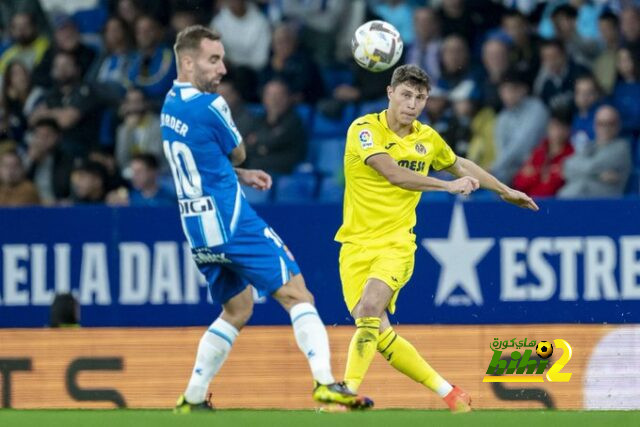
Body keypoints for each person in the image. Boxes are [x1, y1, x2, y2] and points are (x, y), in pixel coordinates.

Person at [161, 25, 372, 413]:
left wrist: (237, 176)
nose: (222, 69)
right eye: (213, 60)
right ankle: (326, 383)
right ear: (188, 62)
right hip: (232, 222)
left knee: (237, 309)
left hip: (197, 230)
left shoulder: (169, 105)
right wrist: (239, 166)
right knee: (298, 294)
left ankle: (191, 397)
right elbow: (237, 152)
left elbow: (202, 160)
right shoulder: (211, 105)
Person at [335, 64, 538, 412]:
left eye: (420, 97)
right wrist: (446, 186)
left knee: (370, 309)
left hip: (396, 244)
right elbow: (392, 173)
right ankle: (451, 394)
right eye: (406, 95)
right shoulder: (364, 129)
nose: (413, 104)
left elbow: (459, 164)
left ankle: (343, 395)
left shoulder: (426, 139)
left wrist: (505, 190)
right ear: (390, 93)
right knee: (379, 334)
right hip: (354, 246)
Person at [558, 105, 631, 198]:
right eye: (601, 123)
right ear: (594, 125)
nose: (605, 128)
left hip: (606, 204)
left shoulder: (622, 148)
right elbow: (567, 166)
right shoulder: (590, 145)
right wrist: (597, 175)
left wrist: (579, 172)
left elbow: (593, 166)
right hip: (575, 200)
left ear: (618, 125)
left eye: (610, 123)